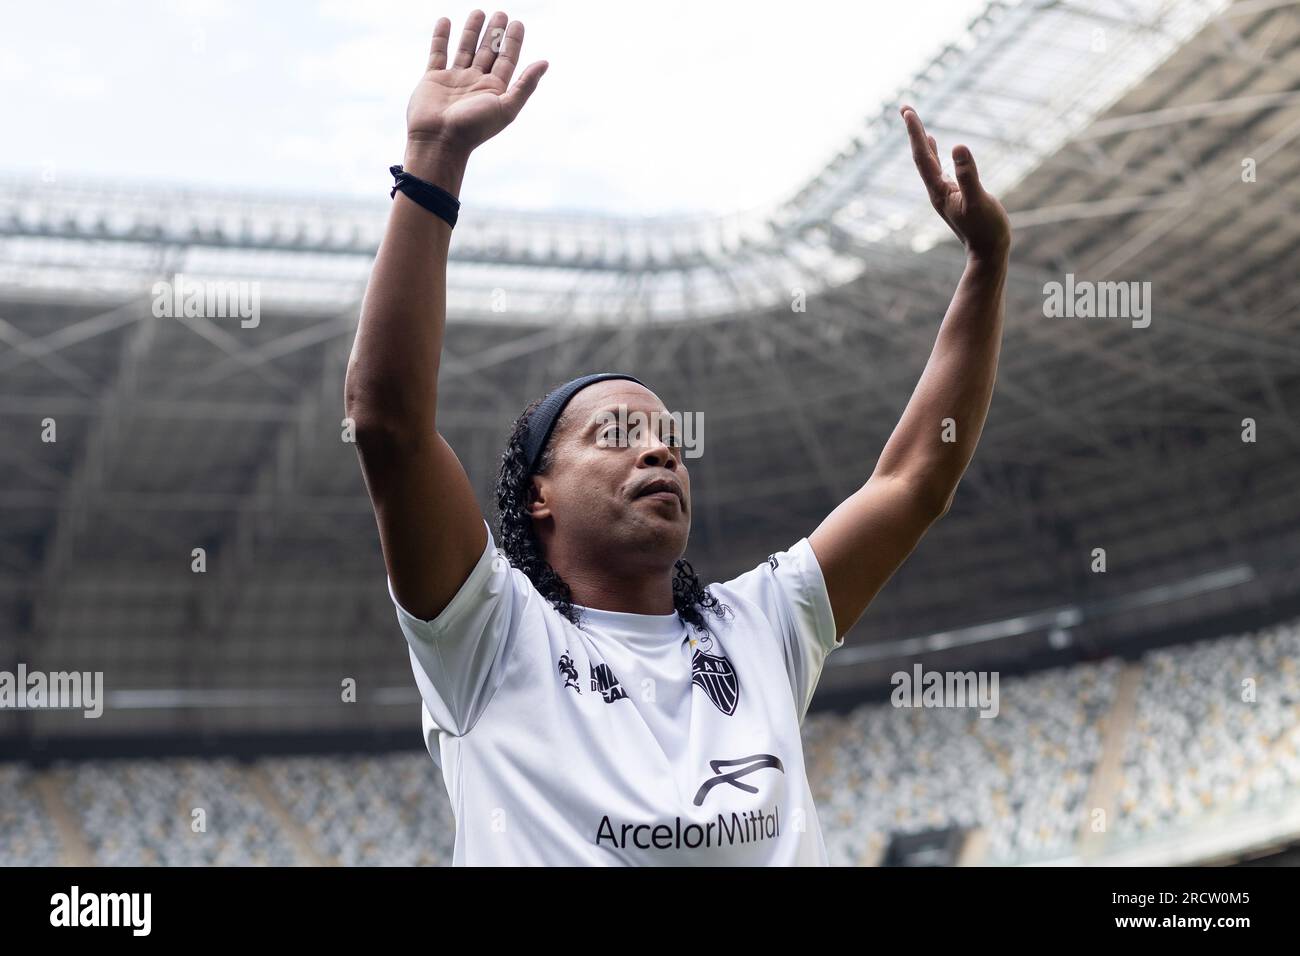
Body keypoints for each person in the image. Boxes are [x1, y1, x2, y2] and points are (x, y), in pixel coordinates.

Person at [344, 9, 1011, 865]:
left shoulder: (761, 625)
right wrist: (435, 160)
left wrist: (986, 268)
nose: (658, 451)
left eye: (667, 439)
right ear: (537, 493)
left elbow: (913, 482)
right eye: (617, 434)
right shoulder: (488, 639)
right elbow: (387, 425)